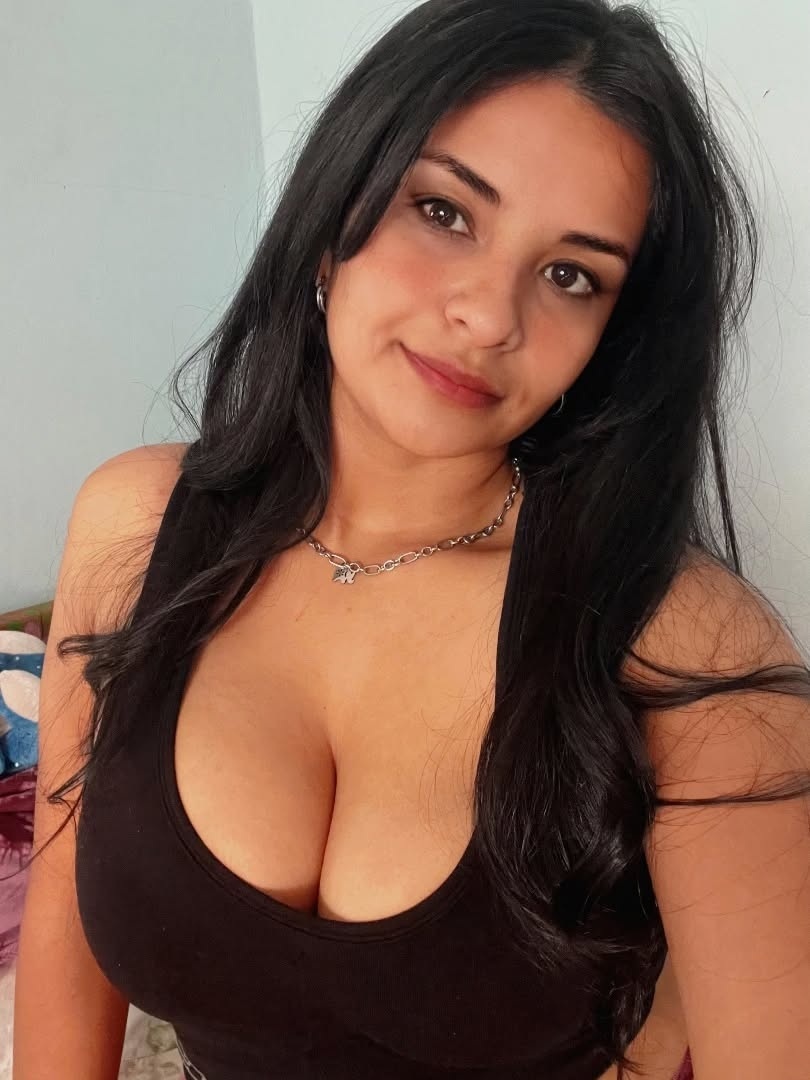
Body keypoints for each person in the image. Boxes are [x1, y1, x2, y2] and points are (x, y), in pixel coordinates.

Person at [13, 0, 810, 1077]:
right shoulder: (137, 525)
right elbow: (65, 943)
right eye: (444, 211)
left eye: (572, 275)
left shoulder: (691, 647)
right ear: (332, 217)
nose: (490, 315)